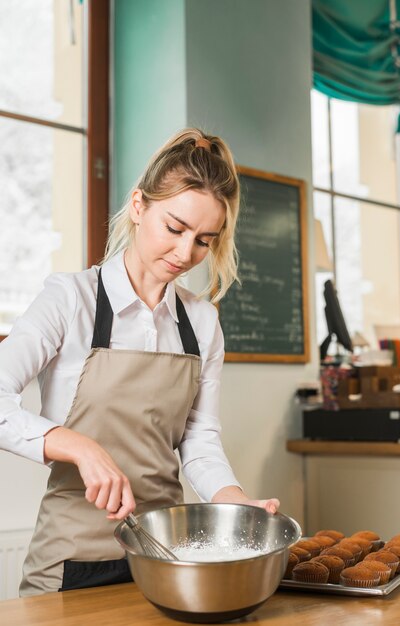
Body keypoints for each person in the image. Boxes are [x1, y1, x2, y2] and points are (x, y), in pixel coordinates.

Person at [0, 128, 280, 597]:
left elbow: (198, 441)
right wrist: (78, 446)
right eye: (174, 228)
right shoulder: (70, 299)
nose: (185, 253)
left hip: (164, 556)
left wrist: (235, 504)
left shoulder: (202, 322)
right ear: (138, 206)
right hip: (70, 559)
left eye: (203, 240)